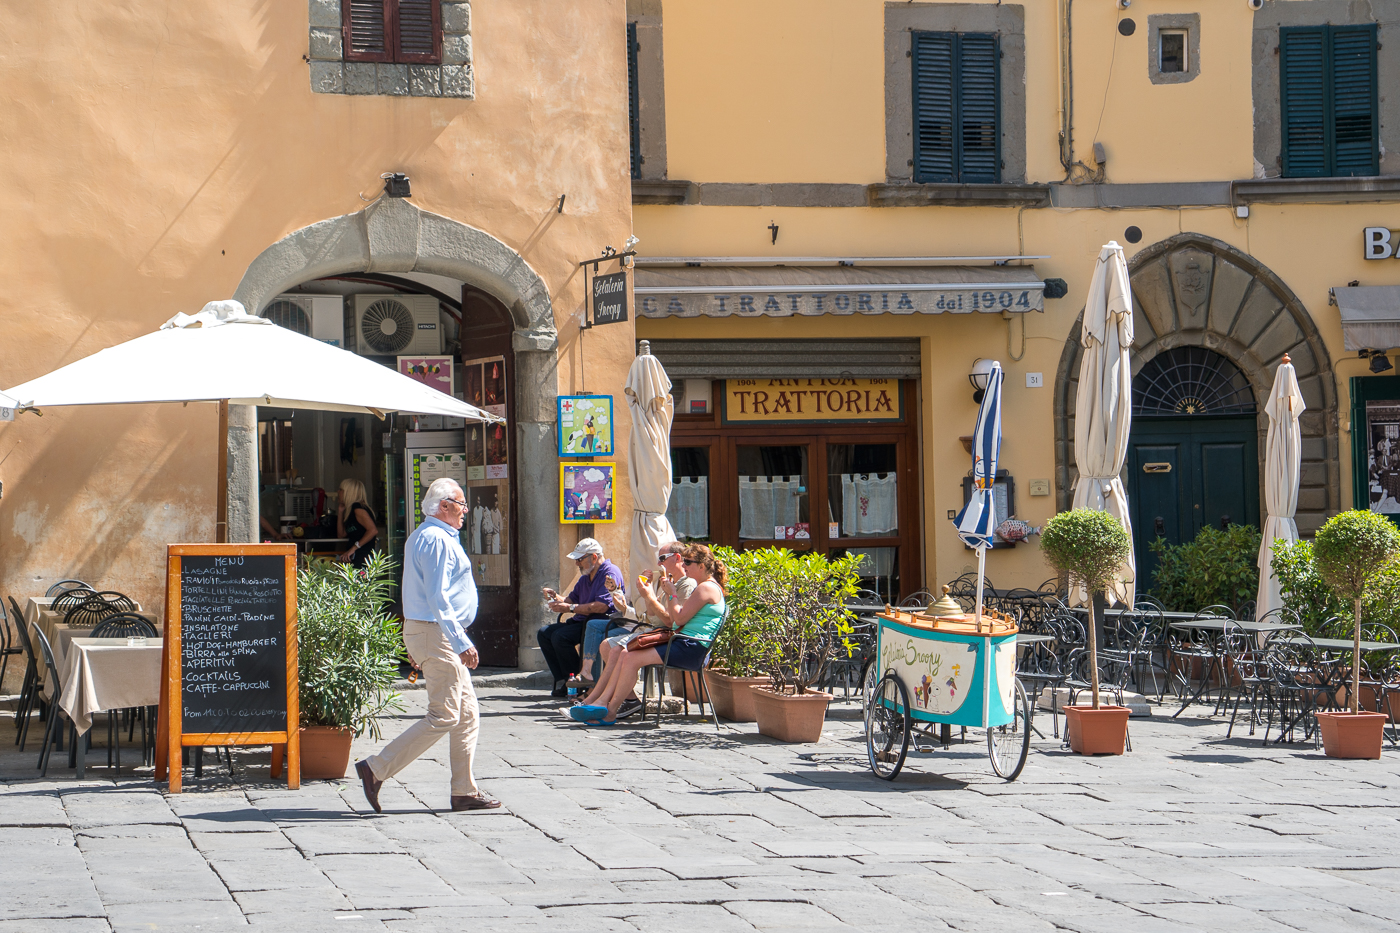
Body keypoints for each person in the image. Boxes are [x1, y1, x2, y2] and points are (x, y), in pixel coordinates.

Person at [354, 477, 500, 813]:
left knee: (466, 714)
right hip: (439, 633)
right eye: (462, 504)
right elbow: (438, 597)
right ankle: (376, 768)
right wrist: (459, 641)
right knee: (446, 714)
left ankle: (464, 791)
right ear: (445, 505)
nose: (466, 510)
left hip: (432, 632)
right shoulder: (436, 539)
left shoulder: (427, 536)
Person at [570, 544, 727, 725]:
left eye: (688, 562)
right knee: (624, 654)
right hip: (683, 642)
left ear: (702, 566)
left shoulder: (705, 588)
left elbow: (678, 619)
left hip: (689, 647)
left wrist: (672, 594)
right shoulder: (705, 586)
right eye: (684, 561)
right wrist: (667, 594)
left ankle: (609, 710)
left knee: (629, 657)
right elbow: (674, 619)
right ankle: (602, 703)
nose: (684, 566)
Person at [538, 538, 625, 697]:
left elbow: (602, 606)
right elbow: (571, 600)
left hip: (600, 621)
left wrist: (570, 608)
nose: (577, 564)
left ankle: (578, 681)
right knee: (544, 633)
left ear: (593, 557)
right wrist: (555, 597)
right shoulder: (586, 576)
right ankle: (566, 680)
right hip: (583, 621)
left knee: (560, 637)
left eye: (580, 559)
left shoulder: (609, 572)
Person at [336, 478, 379, 567]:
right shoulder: (350, 510)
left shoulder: (358, 509)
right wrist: (340, 512)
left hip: (363, 558)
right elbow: (341, 534)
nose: (338, 492)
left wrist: (354, 548)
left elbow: (373, 530)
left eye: (341, 490)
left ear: (348, 492)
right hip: (354, 558)